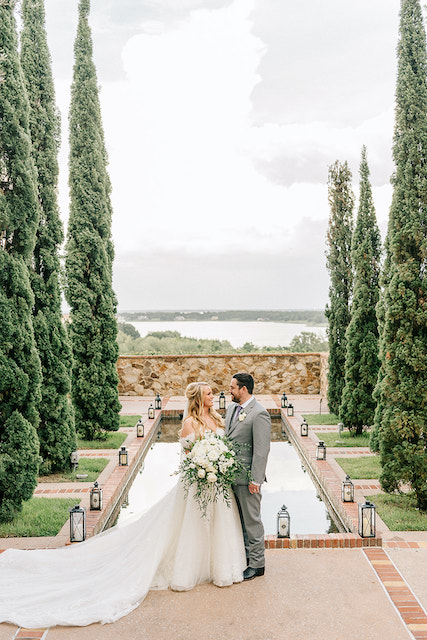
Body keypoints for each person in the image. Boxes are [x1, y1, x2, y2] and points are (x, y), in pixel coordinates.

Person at [0, 382, 245, 629]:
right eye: (209, 393)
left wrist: (218, 462)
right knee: (191, 526)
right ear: (197, 398)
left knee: (217, 525)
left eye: (212, 393)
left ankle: (220, 568)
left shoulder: (218, 418)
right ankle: (187, 570)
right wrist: (204, 465)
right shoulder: (189, 424)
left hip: (218, 484)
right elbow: (187, 459)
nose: (214, 396)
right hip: (197, 485)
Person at [225, 372, 271, 580]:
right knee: (239, 521)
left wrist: (255, 480)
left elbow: (261, 450)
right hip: (230, 476)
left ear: (244, 389)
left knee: (252, 521)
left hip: (247, 478)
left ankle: (258, 564)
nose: (230, 390)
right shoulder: (231, 408)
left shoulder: (259, 413)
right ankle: (245, 559)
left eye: (233, 387)